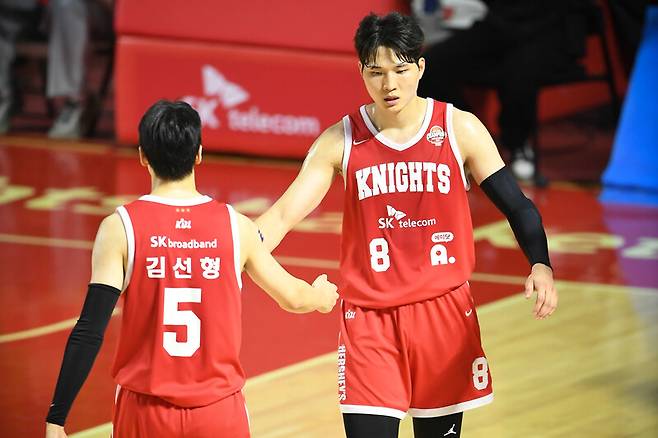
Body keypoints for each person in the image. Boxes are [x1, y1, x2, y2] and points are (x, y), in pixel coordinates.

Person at [255, 12, 557, 438]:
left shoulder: (459, 128)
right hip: (369, 321)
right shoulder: (340, 140)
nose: (389, 85)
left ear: (420, 66)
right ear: (361, 72)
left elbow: (518, 206)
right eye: (376, 73)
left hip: (443, 316)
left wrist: (540, 264)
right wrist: (236, 250)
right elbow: (283, 215)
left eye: (399, 70)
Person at [44, 100, 339, 438]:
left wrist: (57, 417)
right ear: (198, 154)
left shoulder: (120, 228)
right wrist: (321, 296)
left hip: (144, 412)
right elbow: (293, 298)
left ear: (142, 156)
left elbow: (90, 329)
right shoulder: (235, 226)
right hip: (218, 412)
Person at [416, 0, 593, 181]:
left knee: (519, 70)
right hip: (499, 26)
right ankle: (471, 136)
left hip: (549, 29)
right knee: (431, 66)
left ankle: (518, 144)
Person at [0, 0, 113, 139]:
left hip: (92, 9)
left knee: (67, 4)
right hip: (41, 10)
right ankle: (5, 95)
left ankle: (76, 102)